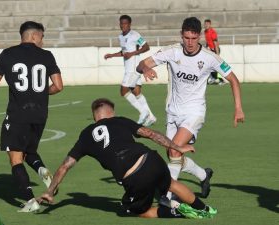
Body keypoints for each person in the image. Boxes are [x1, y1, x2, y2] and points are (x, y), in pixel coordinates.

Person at [39, 98, 217, 219]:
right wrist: (177, 147)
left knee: (138, 211)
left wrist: (50, 190)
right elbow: (150, 133)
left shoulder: (86, 135)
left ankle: (178, 213)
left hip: (133, 175)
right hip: (151, 158)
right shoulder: (120, 120)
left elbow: (64, 166)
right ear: (112, 113)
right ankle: (205, 210)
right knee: (172, 184)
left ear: (95, 116)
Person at [136, 17, 245, 199]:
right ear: (181, 35)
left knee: (174, 149)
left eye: (194, 38)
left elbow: (233, 79)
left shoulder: (210, 58)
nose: (190, 43)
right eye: (187, 38)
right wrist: (145, 69)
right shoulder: (172, 52)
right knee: (174, 155)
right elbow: (142, 64)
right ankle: (203, 175)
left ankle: (167, 196)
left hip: (194, 112)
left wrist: (238, 108)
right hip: (172, 112)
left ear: (200, 36)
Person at [0, 21, 63, 212]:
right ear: (34, 36)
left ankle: (30, 201)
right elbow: (58, 86)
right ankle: (41, 169)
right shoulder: (47, 56)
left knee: (16, 159)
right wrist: (41, 93)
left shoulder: (7, 54)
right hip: (41, 114)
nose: (43, 41)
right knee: (29, 152)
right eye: (42, 37)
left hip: (18, 114)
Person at [104, 15, 156, 127]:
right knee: (137, 93)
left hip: (133, 69)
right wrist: (112, 55)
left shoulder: (135, 35)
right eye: (121, 23)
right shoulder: (121, 37)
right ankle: (151, 117)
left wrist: (133, 53)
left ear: (129, 24)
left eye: (125, 23)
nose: (123, 25)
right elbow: (124, 52)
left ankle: (143, 112)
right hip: (128, 68)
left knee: (123, 91)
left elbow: (146, 47)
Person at [204, 19, 225, 84]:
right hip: (211, 50)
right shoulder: (205, 31)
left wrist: (217, 54)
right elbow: (208, 41)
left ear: (210, 24)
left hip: (215, 50)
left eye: (207, 24)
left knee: (215, 66)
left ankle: (221, 80)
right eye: (205, 24)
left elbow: (216, 43)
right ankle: (214, 78)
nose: (206, 25)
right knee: (210, 65)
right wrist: (207, 48)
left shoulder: (213, 32)